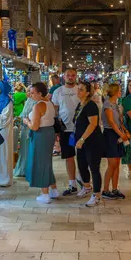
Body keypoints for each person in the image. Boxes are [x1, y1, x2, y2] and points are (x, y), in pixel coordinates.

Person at [24, 82, 59, 203]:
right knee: (47, 162)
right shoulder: (50, 103)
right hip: (49, 133)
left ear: (39, 93)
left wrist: (26, 121)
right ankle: (53, 189)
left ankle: (45, 194)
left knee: (41, 163)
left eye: (33, 93)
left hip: (41, 135)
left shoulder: (38, 106)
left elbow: (34, 126)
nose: (31, 95)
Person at [52, 68, 81, 196]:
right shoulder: (58, 91)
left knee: (83, 157)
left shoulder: (81, 90)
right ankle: (72, 184)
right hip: (66, 130)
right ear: (64, 76)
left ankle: (84, 182)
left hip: (80, 129)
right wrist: (56, 130)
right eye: (68, 75)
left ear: (76, 76)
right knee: (69, 157)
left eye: (73, 75)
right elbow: (55, 110)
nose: (70, 77)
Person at [74, 81, 104, 207]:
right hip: (81, 141)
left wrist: (82, 139)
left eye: (81, 89)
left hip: (92, 141)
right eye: (78, 89)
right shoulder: (80, 105)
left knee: (94, 167)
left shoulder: (91, 105)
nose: (78, 91)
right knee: (81, 165)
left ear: (87, 93)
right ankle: (86, 186)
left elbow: (93, 124)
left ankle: (96, 195)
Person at [101, 83, 129, 200]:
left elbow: (119, 121)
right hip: (110, 135)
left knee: (116, 163)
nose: (120, 92)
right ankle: (105, 189)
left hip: (117, 133)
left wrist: (125, 131)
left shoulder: (115, 105)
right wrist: (121, 134)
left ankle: (115, 188)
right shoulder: (108, 105)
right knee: (112, 164)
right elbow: (111, 122)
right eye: (119, 90)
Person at [0, 80, 14, 187]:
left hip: (3, 131)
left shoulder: (8, 102)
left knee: (3, 154)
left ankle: (4, 178)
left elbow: (5, 119)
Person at [14, 85, 36, 178]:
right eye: (27, 92)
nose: (28, 94)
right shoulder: (28, 101)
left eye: (31, 92)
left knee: (28, 149)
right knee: (24, 150)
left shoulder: (35, 103)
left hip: (29, 129)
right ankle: (24, 169)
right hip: (24, 129)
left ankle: (27, 169)